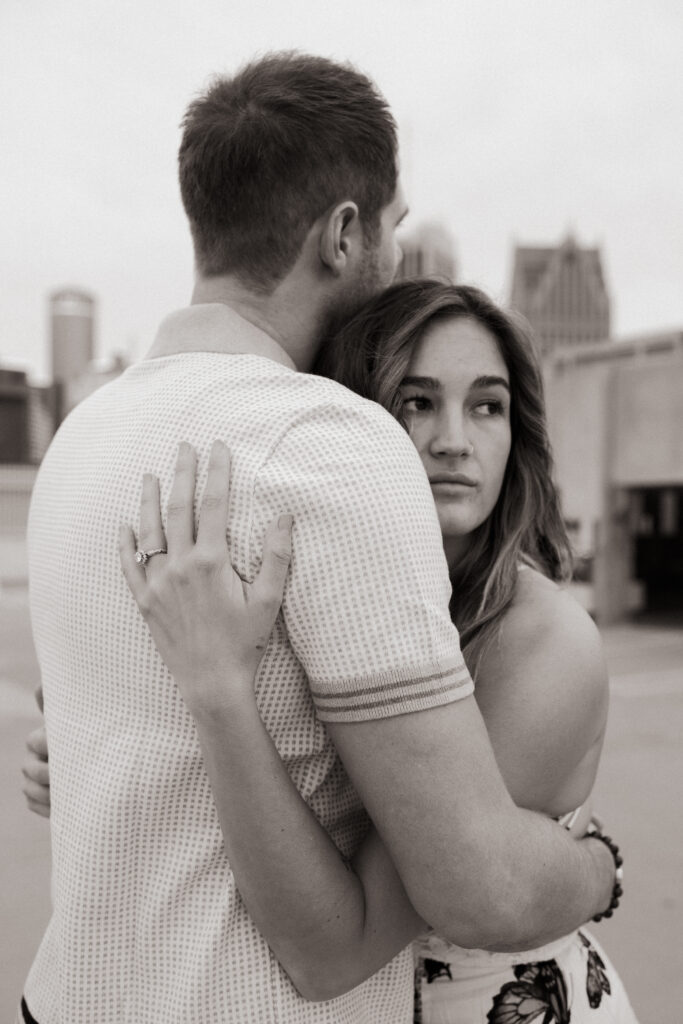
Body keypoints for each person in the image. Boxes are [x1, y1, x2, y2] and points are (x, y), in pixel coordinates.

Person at [20, 52, 617, 1024]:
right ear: (344, 233)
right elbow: (468, 888)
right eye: (388, 229)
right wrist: (598, 863)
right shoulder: (330, 445)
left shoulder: (81, 439)